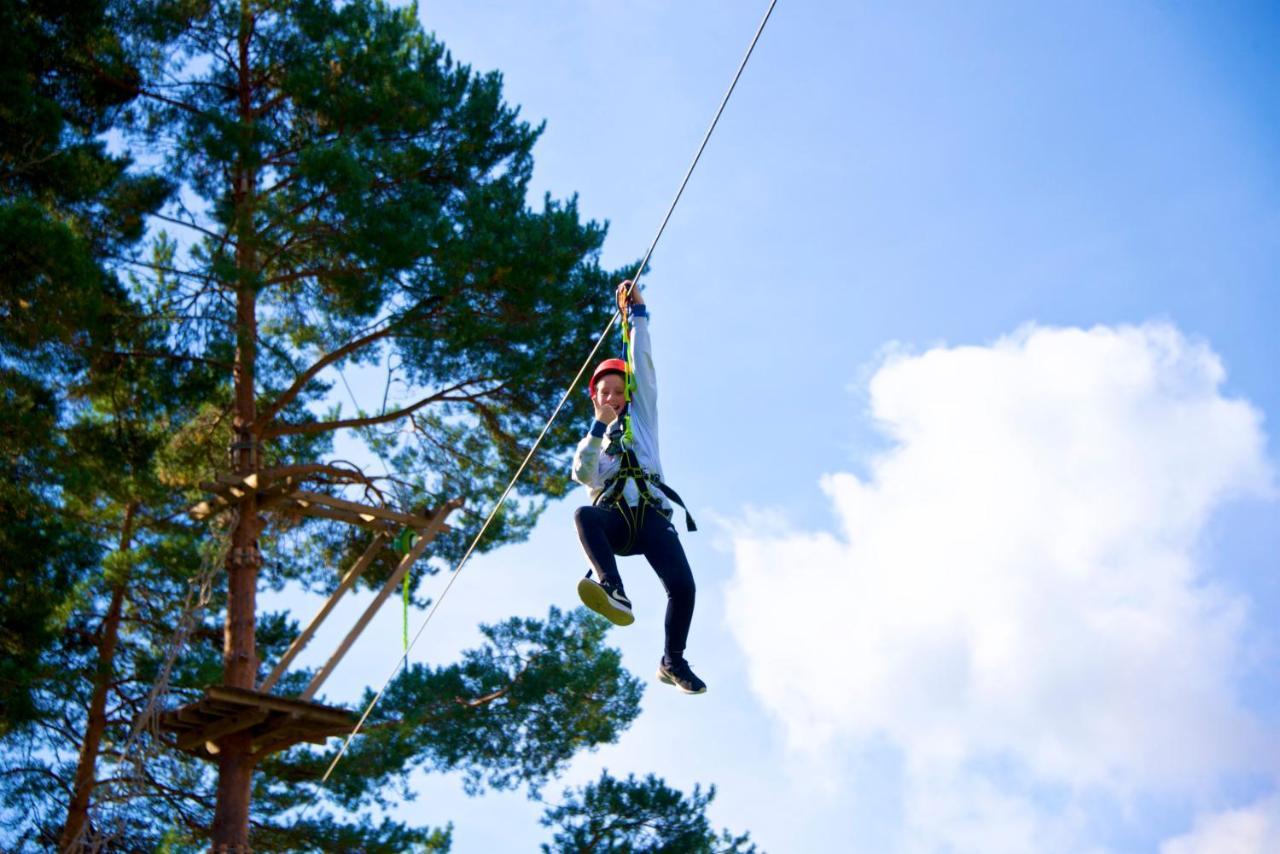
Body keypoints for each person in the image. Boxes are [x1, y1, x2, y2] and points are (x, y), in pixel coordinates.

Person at [571, 280, 705, 695]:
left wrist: (637, 317)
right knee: (583, 514)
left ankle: (673, 661)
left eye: (618, 391)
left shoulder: (642, 422)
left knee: (683, 587)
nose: (611, 397)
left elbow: (642, 367)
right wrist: (598, 427)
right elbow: (582, 473)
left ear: (627, 397)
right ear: (595, 398)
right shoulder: (594, 439)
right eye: (603, 393)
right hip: (614, 523)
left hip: (649, 518)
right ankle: (612, 587)